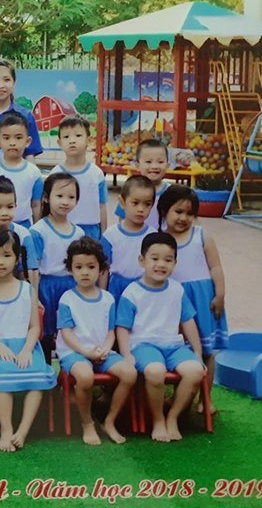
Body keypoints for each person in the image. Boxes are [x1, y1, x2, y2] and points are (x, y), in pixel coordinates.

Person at [115, 232, 205, 443]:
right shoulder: (132, 292)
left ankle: (172, 417)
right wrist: (126, 354)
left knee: (195, 371)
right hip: (143, 345)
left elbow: (188, 321)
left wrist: (197, 352)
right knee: (155, 371)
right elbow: (122, 327)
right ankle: (158, 419)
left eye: (168, 260)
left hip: (174, 346)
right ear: (142, 260)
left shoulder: (176, 289)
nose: (161, 264)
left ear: (175, 263)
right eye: (154, 258)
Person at [0, 228, 56, 452]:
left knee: (37, 377)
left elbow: (34, 327)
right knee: (3, 378)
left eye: (7, 255)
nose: (0, 261)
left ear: (17, 258)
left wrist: (27, 350)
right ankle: (6, 429)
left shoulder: (27, 289)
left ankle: (23, 431)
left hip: (26, 345)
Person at [56, 237, 137, 445]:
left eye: (91, 267)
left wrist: (105, 349)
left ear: (101, 269)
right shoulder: (67, 298)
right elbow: (66, 334)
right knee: (85, 376)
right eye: (79, 267)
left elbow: (110, 332)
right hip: (75, 352)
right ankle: (87, 423)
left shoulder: (108, 299)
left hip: (102, 351)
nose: (85, 272)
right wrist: (86, 352)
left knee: (129, 373)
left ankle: (109, 421)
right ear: (70, 269)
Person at [158, 185, 228, 413]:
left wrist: (220, 295)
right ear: (164, 211)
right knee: (180, 349)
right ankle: (179, 395)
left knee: (207, 351)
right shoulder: (159, 239)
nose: (183, 218)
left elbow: (215, 267)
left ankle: (205, 399)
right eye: (178, 211)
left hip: (203, 299)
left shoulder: (201, 236)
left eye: (189, 213)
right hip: (173, 303)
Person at [30, 173, 85, 358]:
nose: (65, 201)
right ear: (46, 197)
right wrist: (34, 295)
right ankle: (46, 365)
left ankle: (68, 366)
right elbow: (34, 267)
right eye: (60, 196)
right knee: (46, 330)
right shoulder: (38, 230)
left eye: (71, 197)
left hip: (71, 286)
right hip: (46, 287)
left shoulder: (78, 233)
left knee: (68, 329)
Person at [0, 113, 43, 228]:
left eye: (18, 138)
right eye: (6, 138)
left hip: (23, 227)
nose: (12, 143)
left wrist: (37, 231)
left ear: (28, 141)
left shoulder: (34, 173)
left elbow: (36, 205)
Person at [49, 117, 107, 239]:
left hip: (91, 232)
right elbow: (49, 206)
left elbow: (102, 205)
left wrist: (104, 236)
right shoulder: (55, 174)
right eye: (66, 137)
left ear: (89, 140)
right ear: (59, 143)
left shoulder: (96, 173)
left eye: (78, 135)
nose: (72, 141)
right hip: (62, 230)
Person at [100, 175, 155, 304]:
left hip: (143, 288)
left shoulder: (153, 236)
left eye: (147, 204)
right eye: (135, 203)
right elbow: (104, 269)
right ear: (122, 202)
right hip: (117, 289)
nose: (141, 209)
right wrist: (102, 297)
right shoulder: (110, 235)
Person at [114, 138, 171, 228]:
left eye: (160, 162)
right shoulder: (130, 190)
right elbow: (122, 221)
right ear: (137, 165)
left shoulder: (172, 193)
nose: (154, 166)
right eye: (148, 162)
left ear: (168, 165)